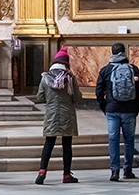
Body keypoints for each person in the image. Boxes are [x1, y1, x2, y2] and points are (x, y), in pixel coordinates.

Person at [95, 42, 139, 180]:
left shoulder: (106, 70)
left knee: (113, 139)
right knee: (129, 140)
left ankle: (114, 171)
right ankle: (128, 170)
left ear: (112, 53)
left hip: (112, 110)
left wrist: (105, 107)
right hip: (129, 110)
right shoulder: (134, 69)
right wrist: (136, 108)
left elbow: (99, 91)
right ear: (125, 52)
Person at [34, 48, 81, 185]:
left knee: (49, 143)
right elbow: (77, 98)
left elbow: (40, 97)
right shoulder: (70, 78)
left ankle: (42, 172)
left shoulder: (45, 78)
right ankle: (67, 175)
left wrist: (50, 101)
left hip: (51, 114)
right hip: (68, 115)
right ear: (66, 64)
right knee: (67, 145)